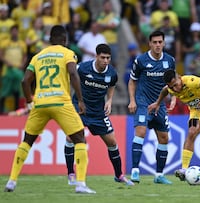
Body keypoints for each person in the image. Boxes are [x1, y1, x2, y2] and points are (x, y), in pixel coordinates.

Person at [4, 25, 95, 194]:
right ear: (64, 39)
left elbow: (25, 81)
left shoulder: (38, 56)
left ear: (50, 39)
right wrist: (81, 100)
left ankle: (11, 181)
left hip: (40, 103)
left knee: (27, 141)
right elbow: (73, 74)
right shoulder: (67, 53)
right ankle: (81, 184)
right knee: (79, 139)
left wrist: (30, 102)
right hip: (61, 102)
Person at [64, 43, 134, 186]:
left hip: (98, 112)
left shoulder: (112, 74)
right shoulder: (83, 68)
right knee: (71, 138)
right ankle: (71, 173)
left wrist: (109, 100)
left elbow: (112, 86)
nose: (106, 61)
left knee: (112, 142)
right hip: (80, 108)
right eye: (103, 58)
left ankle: (119, 175)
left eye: (108, 58)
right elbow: (69, 75)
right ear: (96, 56)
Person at [148, 69, 200, 186]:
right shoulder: (171, 88)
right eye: (172, 87)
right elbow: (165, 90)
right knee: (192, 132)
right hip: (197, 112)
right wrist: (157, 103)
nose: (175, 89)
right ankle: (184, 169)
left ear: (179, 77)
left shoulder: (191, 81)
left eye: (176, 85)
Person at [128, 30, 176, 184]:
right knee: (140, 132)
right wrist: (132, 101)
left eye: (160, 42)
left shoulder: (170, 61)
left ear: (164, 43)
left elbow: (174, 83)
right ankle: (135, 171)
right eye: (154, 42)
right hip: (143, 102)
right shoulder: (141, 60)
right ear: (149, 43)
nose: (157, 45)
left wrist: (174, 98)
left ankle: (159, 175)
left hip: (160, 105)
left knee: (164, 138)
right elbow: (132, 80)